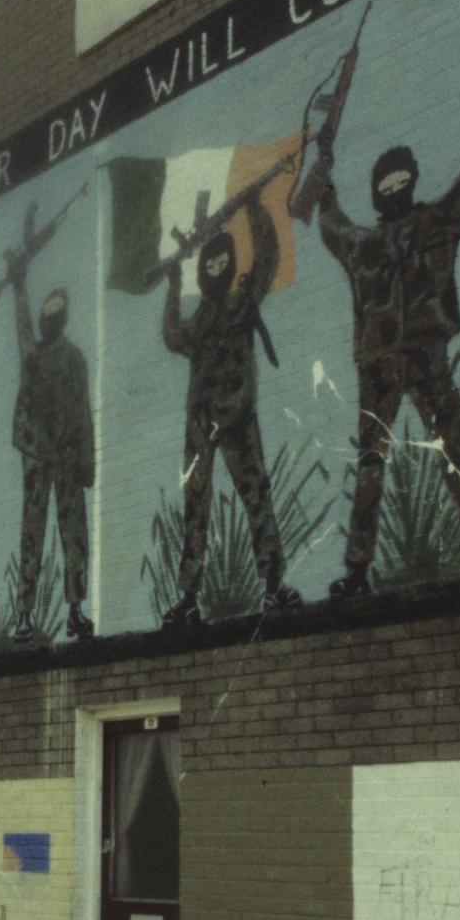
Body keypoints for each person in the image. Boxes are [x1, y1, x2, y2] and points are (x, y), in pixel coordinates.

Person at [305, 62, 460, 596]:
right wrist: (323, 168)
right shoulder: (377, 239)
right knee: (393, 461)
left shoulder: (424, 226)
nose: (393, 188)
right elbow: (329, 217)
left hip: (409, 356)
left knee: (447, 454)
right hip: (393, 361)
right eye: (387, 181)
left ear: (407, 184)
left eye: (398, 180)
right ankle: (364, 571)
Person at [160, 194, 303, 627]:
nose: (217, 271)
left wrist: (255, 207)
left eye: (223, 264)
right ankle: (188, 597)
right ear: (203, 273)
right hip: (202, 422)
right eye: (210, 267)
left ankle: (274, 585)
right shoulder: (200, 319)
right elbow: (172, 336)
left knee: (256, 496)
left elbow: (268, 258)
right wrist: (170, 287)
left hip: (237, 415)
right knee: (196, 509)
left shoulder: (243, 302)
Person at [7, 269, 96, 643]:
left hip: (67, 458)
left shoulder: (74, 359)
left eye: (54, 312)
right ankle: (25, 616)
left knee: (73, 535)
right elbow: (23, 329)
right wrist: (20, 287)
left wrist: (87, 461)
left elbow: (83, 410)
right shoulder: (34, 355)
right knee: (33, 534)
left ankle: (75, 611)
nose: (48, 318)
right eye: (46, 311)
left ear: (62, 318)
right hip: (37, 456)